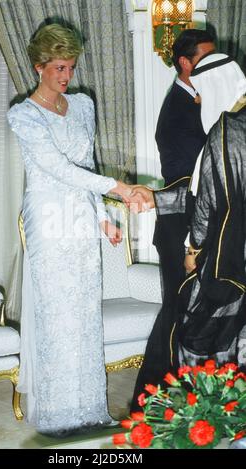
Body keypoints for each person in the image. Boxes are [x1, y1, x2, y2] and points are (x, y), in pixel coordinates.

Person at [7, 23, 135, 435]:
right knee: (56, 314)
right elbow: (57, 168)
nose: (66, 76)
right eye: (59, 67)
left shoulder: (82, 105)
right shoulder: (22, 115)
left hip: (81, 215)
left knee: (83, 312)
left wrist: (104, 218)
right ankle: (58, 415)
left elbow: (85, 168)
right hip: (48, 217)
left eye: (71, 67)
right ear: (38, 67)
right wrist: (118, 188)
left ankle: (91, 409)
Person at [130, 29, 215, 411]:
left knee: (189, 313)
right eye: (204, 57)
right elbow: (187, 182)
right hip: (180, 226)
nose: (212, 65)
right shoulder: (179, 111)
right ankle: (150, 403)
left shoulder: (203, 102)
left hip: (196, 225)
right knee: (177, 314)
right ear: (185, 63)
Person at [178, 53, 246, 368]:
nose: (200, 99)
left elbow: (206, 204)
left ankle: (212, 414)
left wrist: (193, 248)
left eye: (202, 89)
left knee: (202, 338)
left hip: (229, 254)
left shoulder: (224, 131)